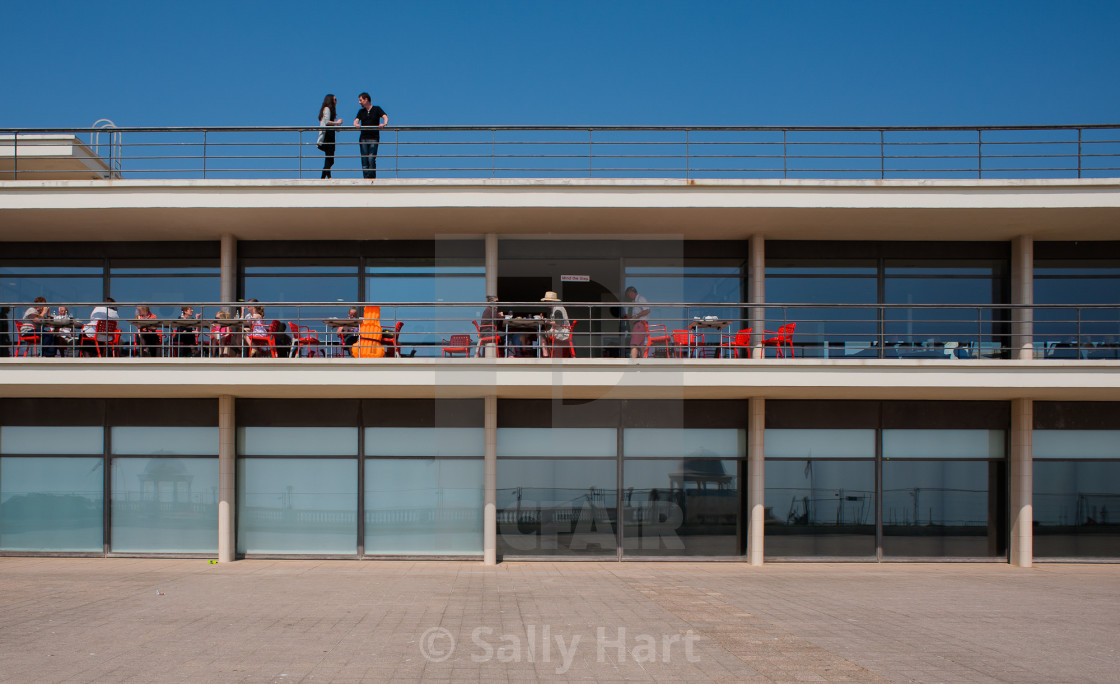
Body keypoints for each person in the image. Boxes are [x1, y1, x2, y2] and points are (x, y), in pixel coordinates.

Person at [353, 92, 388, 179]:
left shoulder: (376, 109)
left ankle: (372, 178)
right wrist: (356, 124)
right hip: (363, 138)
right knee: (364, 159)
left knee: (371, 158)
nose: (359, 102)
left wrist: (384, 123)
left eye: (360, 100)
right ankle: (366, 179)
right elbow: (356, 120)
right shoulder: (361, 111)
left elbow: (385, 116)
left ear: (366, 100)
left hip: (374, 137)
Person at [316, 94, 343, 179]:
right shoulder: (327, 109)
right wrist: (337, 122)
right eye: (335, 99)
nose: (336, 101)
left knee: (329, 157)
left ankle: (326, 176)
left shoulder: (331, 111)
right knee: (330, 158)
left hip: (331, 135)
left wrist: (337, 125)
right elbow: (327, 122)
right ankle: (325, 177)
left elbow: (331, 124)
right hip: (327, 136)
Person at [621, 286, 650, 359]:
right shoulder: (634, 301)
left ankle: (633, 361)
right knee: (640, 345)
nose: (628, 297)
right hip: (639, 323)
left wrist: (636, 316)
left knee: (634, 344)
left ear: (632, 292)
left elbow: (647, 310)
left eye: (628, 295)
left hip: (640, 324)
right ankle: (643, 360)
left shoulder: (640, 299)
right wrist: (630, 317)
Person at [541, 290, 570, 357]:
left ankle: (546, 354)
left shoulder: (558, 309)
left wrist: (547, 322)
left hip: (561, 332)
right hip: (556, 330)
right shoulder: (554, 308)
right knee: (541, 333)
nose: (545, 302)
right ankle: (546, 353)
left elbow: (558, 323)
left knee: (540, 334)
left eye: (546, 301)